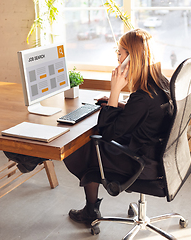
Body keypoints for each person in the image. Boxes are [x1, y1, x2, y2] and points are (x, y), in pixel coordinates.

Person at [62, 28, 173, 227]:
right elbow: (143, 115)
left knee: (86, 146)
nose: (117, 58)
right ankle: (90, 207)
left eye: (120, 54)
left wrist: (115, 90)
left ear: (132, 58)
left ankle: (90, 211)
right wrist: (120, 104)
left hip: (141, 163)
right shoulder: (160, 83)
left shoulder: (142, 96)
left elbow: (109, 132)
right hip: (157, 155)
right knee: (93, 139)